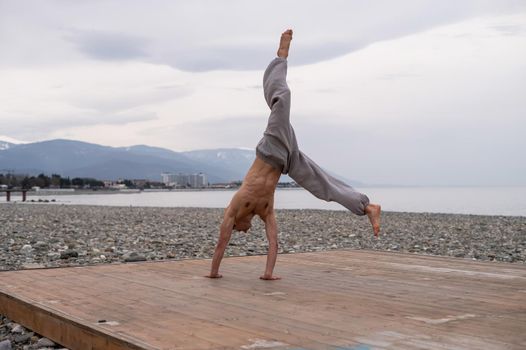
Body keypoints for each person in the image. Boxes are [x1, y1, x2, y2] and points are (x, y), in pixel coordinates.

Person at [207, 29, 381, 280]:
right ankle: (366, 207)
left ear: (234, 223)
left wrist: (213, 273)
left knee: (283, 97)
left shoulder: (233, 209)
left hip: (272, 146)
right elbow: (274, 241)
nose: (244, 232)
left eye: (240, 231)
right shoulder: (264, 210)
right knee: (321, 186)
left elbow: (220, 243)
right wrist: (268, 274)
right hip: (288, 159)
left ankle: (281, 56)